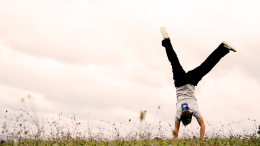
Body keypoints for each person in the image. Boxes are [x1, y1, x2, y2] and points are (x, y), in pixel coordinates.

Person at [160, 27, 236, 140]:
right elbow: (175, 132)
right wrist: (175, 140)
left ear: (190, 116)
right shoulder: (178, 113)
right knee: (174, 61)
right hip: (180, 81)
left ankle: (223, 48)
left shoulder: (194, 110)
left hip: (191, 81)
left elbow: (202, 125)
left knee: (206, 66)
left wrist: (201, 140)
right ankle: (167, 41)